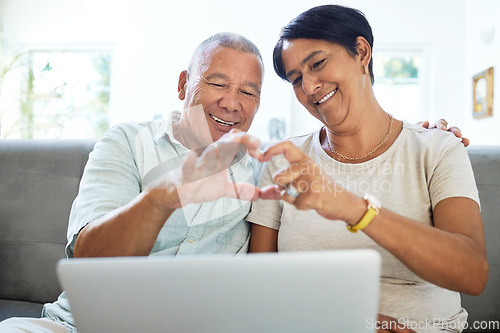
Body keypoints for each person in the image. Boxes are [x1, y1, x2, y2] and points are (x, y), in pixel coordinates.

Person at [0, 29, 466, 332]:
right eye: (218, 84)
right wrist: (167, 195)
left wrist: (423, 136)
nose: (232, 103)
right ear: (185, 85)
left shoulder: (264, 167)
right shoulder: (126, 142)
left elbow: (279, 279)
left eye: (249, 92)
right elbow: (89, 260)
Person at [247, 5, 487, 333]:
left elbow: (472, 273)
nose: (310, 86)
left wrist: (354, 208)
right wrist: (341, 321)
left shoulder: (437, 149)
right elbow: (258, 285)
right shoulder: (284, 160)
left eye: (317, 64)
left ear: (361, 52)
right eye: (296, 79)